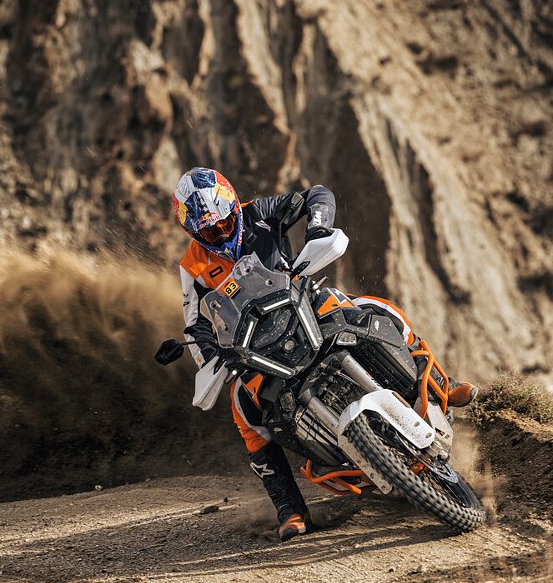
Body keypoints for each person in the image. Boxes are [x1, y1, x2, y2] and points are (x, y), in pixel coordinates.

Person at [172, 167, 477, 541]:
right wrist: (210, 356)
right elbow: (194, 324)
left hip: (302, 303)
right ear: (192, 232)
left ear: (234, 205)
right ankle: (290, 509)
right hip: (256, 343)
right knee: (244, 412)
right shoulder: (193, 266)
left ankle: (442, 381)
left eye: (223, 223)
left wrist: (317, 230)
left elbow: (317, 193)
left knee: (375, 308)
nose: (218, 234)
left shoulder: (261, 212)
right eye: (207, 232)